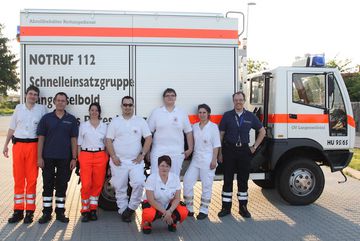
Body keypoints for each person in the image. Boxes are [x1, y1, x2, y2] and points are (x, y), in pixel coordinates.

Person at [217, 91, 266, 218]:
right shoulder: (227, 115)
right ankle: (225, 208)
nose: (238, 102)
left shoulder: (250, 116)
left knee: (243, 180)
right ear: (233, 101)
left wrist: (254, 147)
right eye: (236, 100)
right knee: (227, 180)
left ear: (244, 101)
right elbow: (221, 135)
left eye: (240, 100)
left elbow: (262, 131)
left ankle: (243, 208)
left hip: (244, 151)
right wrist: (220, 153)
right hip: (229, 150)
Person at [3, 85, 47, 224]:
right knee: (19, 178)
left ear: (37, 97)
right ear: (26, 94)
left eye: (35, 94)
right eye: (31, 94)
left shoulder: (41, 110)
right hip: (18, 146)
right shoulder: (18, 108)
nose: (33, 96)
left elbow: (45, 131)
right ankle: (18, 211)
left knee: (32, 179)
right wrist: (5, 145)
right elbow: (11, 128)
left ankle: (29, 211)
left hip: (33, 146)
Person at [105, 96, 152, 222]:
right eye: (125, 105)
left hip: (135, 162)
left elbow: (148, 138)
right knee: (120, 188)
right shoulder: (115, 122)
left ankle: (131, 208)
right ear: (121, 106)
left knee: (139, 183)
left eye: (130, 105)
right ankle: (123, 212)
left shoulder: (140, 121)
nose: (127, 107)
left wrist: (142, 154)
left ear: (133, 106)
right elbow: (108, 140)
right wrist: (113, 156)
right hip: (118, 161)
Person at [37, 92, 78, 224]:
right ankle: (46, 213)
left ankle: (60, 213)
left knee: (62, 185)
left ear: (66, 103)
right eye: (58, 100)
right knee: (47, 185)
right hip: (48, 157)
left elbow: (74, 140)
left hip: (65, 158)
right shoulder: (46, 118)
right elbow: (41, 139)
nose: (60, 102)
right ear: (54, 102)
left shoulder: (71, 119)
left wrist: (74, 158)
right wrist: (39, 157)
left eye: (63, 101)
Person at [183, 104, 221, 220]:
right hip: (196, 159)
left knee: (206, 185)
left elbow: (216, 145)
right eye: (200, 112)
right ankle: (189, 208)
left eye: (204, 112)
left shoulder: (213, 127)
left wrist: (214, 159)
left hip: (208, 160)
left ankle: (204, 210)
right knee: (187, 181)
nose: (202, 114)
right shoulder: (194, 126)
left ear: (208, 113)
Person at [147, 88, 193, 176]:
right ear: (164, 98)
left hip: (177, 152)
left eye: (172, 95)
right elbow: (149, 134)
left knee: (174, 179)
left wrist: (190, 149)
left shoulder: (182, 112)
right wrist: (148, 151)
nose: (170, 97)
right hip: (158, 151)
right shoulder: (156, 112)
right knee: (155, 178)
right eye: (167, 95)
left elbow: (189, 132)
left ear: (175, 98)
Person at [77, 103, 108, 222]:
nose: (94, 112)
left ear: (99, 112)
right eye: (92, 110)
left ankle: (93, 209)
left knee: (98, 184)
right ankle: (85, 210)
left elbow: (107, 143)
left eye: (96, 110)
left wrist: (107, 157)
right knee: (86, 184)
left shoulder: (104, 126)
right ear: (89, 112)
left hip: (100, 155)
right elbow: (79, 143)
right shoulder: (83, 126)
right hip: (86, 155)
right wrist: (79, 159)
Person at [141, 155, 188, 234]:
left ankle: (172, 222)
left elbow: (177, 198)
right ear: (158, 166)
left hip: (168, 205)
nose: (164, 168)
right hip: (154, 205)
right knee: (149, 214)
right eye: (162, 165)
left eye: (167, 166)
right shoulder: (151, 178)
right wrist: (165, 212)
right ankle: (146, 223)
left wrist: (170, 211)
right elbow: (150, 199)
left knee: (183, 211)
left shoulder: (175, 178)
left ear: (170, 167)